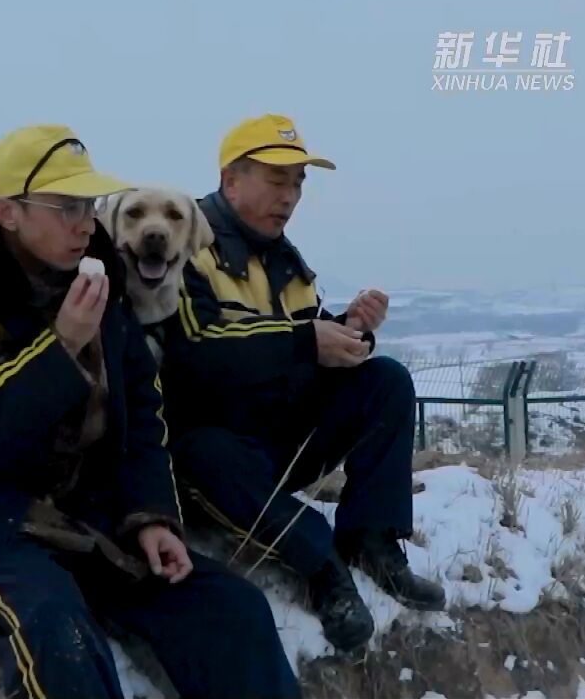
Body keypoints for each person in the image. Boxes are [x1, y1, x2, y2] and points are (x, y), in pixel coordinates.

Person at [0, 124, 301, 699]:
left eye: (87, 204)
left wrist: (150, 515)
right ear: (8, 214)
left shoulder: (97, 281)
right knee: (60, 634)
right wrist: (59, 349)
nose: (85, 221)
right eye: (65, 206)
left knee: (233, 611)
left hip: (79, 511)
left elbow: (142, 415)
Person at [156, 113, 446, 653]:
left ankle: (371, 539)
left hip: (276, 438)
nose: (289, 196)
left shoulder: (287, 260)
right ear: (230, 180)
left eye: (297, 183)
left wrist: (347, 332)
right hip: (210, 447)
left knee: (384, 380)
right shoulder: (183, 244)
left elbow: (302, 342)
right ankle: (323, 570)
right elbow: (192, 353)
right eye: (276, 179)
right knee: (206, 452)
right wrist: (306, 340)